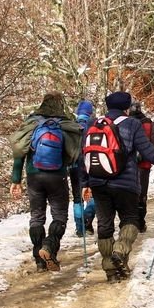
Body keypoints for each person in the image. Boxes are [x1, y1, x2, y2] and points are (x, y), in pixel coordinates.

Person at [81, 91, 154, 282]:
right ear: (127, 108)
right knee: (130, 219)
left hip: (98, 182)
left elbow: (84, 155)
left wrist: (85, 183)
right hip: (126, 183)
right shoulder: (132, 124)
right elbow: (149, 153)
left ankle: (111, 271)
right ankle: (120, 252)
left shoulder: (93, 124)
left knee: (104, 226)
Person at [10, 92, 83, 271]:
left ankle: (39, 260)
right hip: (57, 176)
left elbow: (19, 153)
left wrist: (16, 180)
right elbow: (73, 156)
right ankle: (49, 246)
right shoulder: (65, 124)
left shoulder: (32, 123)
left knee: (37, 217)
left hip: (34, 176)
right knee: (59, 216)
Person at [130, 102, 154, 232]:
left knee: (129, 193)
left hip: (127, 165)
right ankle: (140, 222)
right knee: (142, 194)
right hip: (144, 165)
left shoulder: (124, 122)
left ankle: (129, 222)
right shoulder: (148, 123)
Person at [71, 100, 96, 237]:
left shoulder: (71, 126)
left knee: (77, 198)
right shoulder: (94, 125)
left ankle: (79, 228)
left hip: (73, 166)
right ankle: (88, 218)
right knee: (93, 195)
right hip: (89, 164)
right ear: (90, 112)